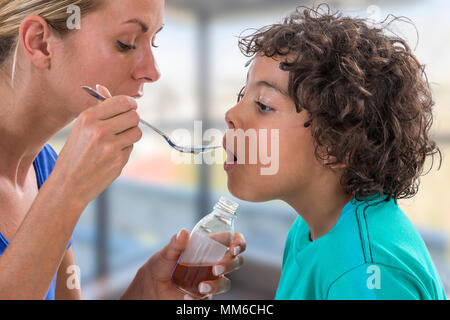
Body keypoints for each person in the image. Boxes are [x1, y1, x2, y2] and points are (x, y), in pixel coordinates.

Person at [0, 0, 245, 300]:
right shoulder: (61, 183)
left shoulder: (47, 168)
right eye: (126, 43)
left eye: (153, 42)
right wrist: (67, 191)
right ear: (40, 43)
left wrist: (145, 291)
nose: (153, 72)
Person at [223, 4, 446, 299]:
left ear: (338, 144)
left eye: (264, 104)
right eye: (243, 96)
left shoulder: (365, 273)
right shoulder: (309, 229)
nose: (230, 114)